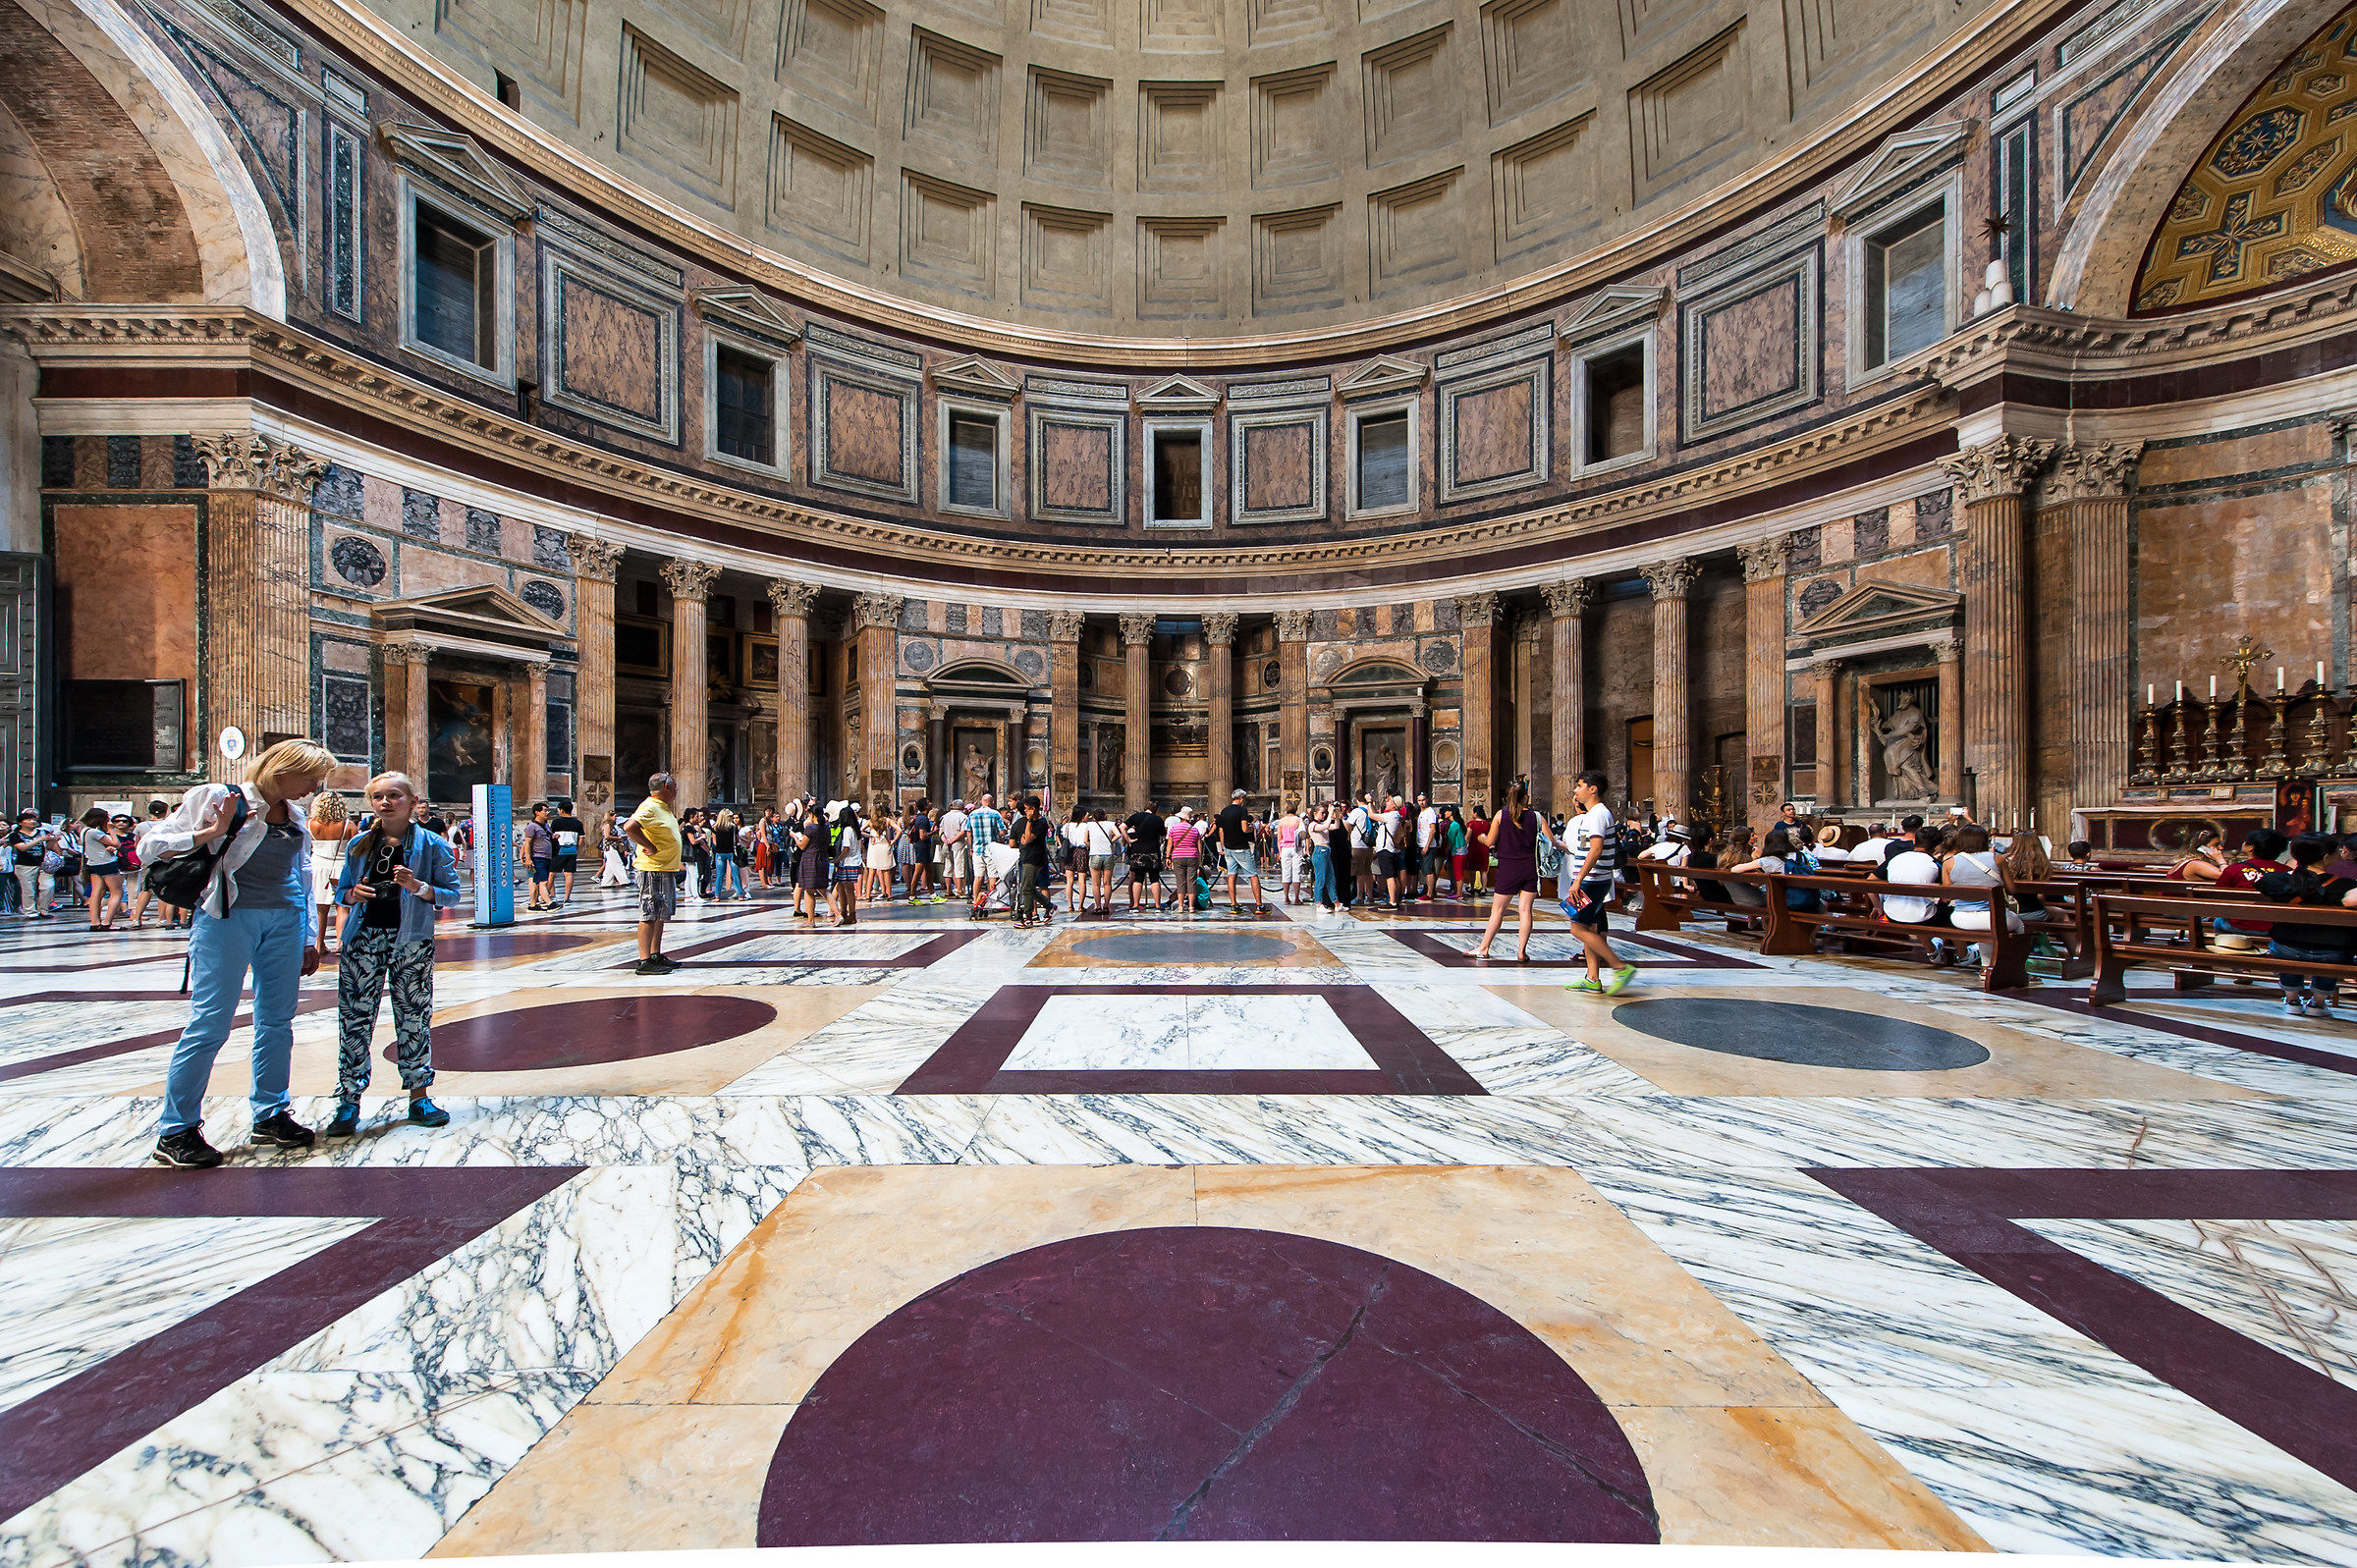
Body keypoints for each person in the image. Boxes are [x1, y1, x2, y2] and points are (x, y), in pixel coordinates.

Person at [140, 737, 338, 1169]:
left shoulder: (297, 814)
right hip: (227, 918)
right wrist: (211, 832)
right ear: (282, 770)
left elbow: (301, 877)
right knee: (210, 1022)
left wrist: (309, 937)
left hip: (284, 921)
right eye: (310, 777)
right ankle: (176, 1129)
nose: (313, 787)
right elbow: (149, 847)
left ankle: (270, 1112)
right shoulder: (218, 797)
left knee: (277, 1021)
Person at [324, 772, 461, 1137]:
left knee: (414, 1015)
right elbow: (341, 893)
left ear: (413, 802)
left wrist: (417, 886)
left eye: (394, 796)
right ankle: (348, 1100)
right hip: (363, 939)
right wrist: (353, 895)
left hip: (410, 940)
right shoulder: (358, 845)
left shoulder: (433, 845)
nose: (385, 803)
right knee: (354, 1019)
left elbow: (451, 894)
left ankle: (419, 1096)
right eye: (378, 797)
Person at [2258, 837, 2357, 1016]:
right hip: (2331, 953)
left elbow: (2263, 883)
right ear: (2327, 857)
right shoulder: (2346, 886)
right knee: (2332, 951)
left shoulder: (2276, 881)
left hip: (2286, 948)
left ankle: (2292, 999)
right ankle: (2318, 1003)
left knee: (2288, 944)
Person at [1559, 770, 1637, 995]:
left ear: (1592, 789)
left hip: (1591, 882)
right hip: (1595, 881)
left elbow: (1596, 849)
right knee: (1590, 927)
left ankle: (1620, 967)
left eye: (1579, 785)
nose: (1575, 790)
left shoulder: (1597, 815)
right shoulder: (1596, 814)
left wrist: (1578, 880)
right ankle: (1592, 978)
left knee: (1577, 928)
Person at [1471, 781, 1563, 962]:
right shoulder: (1537, 817)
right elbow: (1551, 841)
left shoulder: (1500, 815)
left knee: (1498, 911)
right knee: (1525, 910)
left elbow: (1490, 841)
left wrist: (1481, 838)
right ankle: (1521, 951)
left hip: (1508, 868)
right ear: (1526, 797)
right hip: (1530, 868)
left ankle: (1484, 947)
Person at [623, 774, 685, 976]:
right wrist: (647, 845)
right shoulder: (649, 806)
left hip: (664, 868)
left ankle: (655, 954)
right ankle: (644, 960)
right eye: (674, 786)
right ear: (666, 787)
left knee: (660, 915)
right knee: (649, 913)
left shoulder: (662, 808)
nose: (676, 789)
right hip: (652, 868)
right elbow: (629, 827)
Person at [1941, 825, 2023, 968]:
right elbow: (2012, 889)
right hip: (1993, 918)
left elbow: (1948, 896)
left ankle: (1986, 967)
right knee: (2019, 925)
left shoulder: (1949, 863)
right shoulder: (1998, 859)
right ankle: (2018, 966)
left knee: (1985, 929)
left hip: (1961, 918)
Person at [2214, 828, 2288, 955]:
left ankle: (2237, 960)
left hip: (2238, 926)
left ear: (2250, 847)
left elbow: (2216, 896)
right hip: (2274, 927)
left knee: (2218, 922)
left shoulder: (2233, 870)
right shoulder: (2287, 871)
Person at [1876, 823, 1949, 937]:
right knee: (1949, 913)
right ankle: (1940, 944)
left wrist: (1877, 907)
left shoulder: (1896, 858)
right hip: (1922, 917)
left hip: (1892, 913)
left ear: (1914, 841)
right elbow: (1946, 897)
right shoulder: (1935, 864)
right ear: (1937, 847)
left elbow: (1871, 880)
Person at [308, 792, 355, 948]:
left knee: (320, 909)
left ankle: (319, 944)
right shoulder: (348, 825)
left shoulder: (310, 824)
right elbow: (356, 849)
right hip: (341, 867)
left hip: (318, 866)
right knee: (343, 906)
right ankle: (340, 943)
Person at [1215, 788, 1267, 915]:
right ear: (1242, 798)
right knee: (1253, 875)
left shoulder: (1224, 811)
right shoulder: (1242, 810)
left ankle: (1233, 904)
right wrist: (1252, 827)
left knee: (1231, 875)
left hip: (1228, 848)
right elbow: (1244, 829)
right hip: (1241, 848)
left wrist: (1223, 845)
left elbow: (1221, 831)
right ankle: (1259, 905)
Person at [77, 807, 125, 932]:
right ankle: (107, 922)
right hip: (106, 863)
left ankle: (95, 922)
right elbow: (116, 844)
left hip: (93, 863)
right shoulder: (95, 832)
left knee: (97, 893)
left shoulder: (84, 831)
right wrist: (112, 831)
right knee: (117, 892)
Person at [1013, 796, 1052, 927]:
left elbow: (1027, 839)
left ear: (1033, 809)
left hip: (1035, 858)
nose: (1024, 811)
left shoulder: (1041, 823)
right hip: (1026, 857)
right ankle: (1049, 906)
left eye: (1027, 809)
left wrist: (1029, 821)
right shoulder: (1019, 823)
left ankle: (1028, 918)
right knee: (1028, 887)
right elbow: (1014, 842)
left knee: (1027, 888)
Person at [964, 793, 1006, 917]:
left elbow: (968, 831)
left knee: (978, 877)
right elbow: (1002, 831)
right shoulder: (995, 814)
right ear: (992, 802)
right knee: (993, 876)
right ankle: (992, 901)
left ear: (982, 802)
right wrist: (1000, 838)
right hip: (992, 850)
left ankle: (976, 902)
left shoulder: (972, 814)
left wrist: (971, 847)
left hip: (977, 850)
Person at [9, 809, 54, 920]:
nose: (32, 822)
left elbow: (49, 846)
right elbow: (22, 848)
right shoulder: (15, 835)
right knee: (28, 889)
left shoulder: (42, 832)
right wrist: (39, 840)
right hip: (25, 865)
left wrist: (53, 840)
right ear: (20, 823)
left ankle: (43, 909)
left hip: (43, 864)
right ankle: (30, 911)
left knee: (48, 886)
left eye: (33, 819)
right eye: (28, 820)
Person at [1124, 800, 1166, 913]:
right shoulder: (1157, 819)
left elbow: (1122, 826)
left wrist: (1128, 840)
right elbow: (1163, 834)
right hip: (1152, 851)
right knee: (1154, 879)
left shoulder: (1136, 817)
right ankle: (1157, 906)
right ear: (1156, 809)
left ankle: (1136, 906)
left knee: (1138, 879)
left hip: (1138, 851)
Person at [1372, 794, 1407, 909]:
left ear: (1393, 806)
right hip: (1392, 849)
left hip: (1386, 848)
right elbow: (1376, 815)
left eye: (1389, 802)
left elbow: (1371, 815)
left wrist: (1368, 803)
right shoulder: (1395, 815)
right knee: (1393, 876)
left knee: (1389, 876)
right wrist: (1372, 804)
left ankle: (1392, 902)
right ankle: (1395, 899)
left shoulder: (1391, 815)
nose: (1386, 803)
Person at [1168, 806, 1205, 914]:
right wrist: (1199, 859)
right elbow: (1199, 846)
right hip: (1192, 856)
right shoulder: (1194, 830)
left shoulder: (1174, 829)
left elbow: (1170, 844)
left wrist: (1167, 857)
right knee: (1191, 881)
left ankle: (1180, 906)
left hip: (1178, 856)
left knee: (1180, 881)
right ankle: (1191, 907)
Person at [549, 799, 586, 905]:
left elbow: (551, 836)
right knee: (568, 873)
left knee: (552, 873)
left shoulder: (556, 822)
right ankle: (567, 898)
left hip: (559, 850)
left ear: (561, 810)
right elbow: (581, 838)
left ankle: (552, 896)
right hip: (572, 850)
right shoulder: (578, 823)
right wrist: (577, 848)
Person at [522, 801, 557, 910]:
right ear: (537, 812)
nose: (547, 812)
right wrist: (528, 858)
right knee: (543, 881)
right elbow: (527, 843)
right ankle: (549, 903)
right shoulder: (531, 826)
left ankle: (533, 904)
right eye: (545, 810)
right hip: (537, 857)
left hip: (547, 857)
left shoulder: (546, 826)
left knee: (535, 881)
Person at [711, 808, 746, 900]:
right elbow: (737, 840)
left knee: (719, 875)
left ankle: (717, 895)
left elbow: (714, 842)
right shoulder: (733, 827)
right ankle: (740, 895)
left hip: (719, 852)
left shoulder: (715, 827)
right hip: (731, 852)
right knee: (735, 874)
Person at [906, 799, 938, 901]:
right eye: (929, 802)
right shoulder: (923, 820)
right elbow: (923, 835)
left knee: (929, 872)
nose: (931, 803)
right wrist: (934, 832)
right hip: (922, 847)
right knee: (918, 872)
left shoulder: (919, 817)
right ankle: (912, 896)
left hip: (922, 847)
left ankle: (933, 895)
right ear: (925, 806)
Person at [940, 799, 971, 899]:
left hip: (947, 843)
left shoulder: (945, 816)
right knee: (959, 866)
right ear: (962, 807)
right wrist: (953, 840)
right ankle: (959, 891)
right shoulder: (963, 817)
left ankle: (948, 890)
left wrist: (945, 840)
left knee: (948, 866)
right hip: (958, 844)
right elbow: (963, 831)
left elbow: (941, 830)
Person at [1276, 800, 1303, 906]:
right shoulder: (1298, 820)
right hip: (1296, 847)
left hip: (1285, 848)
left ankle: (1286, 897)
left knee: (1286, 873)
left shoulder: (1281, 821)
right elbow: (1302, 835)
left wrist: (1280, 851)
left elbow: (1279, 838)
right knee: (1297, 872)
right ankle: (1296, 898)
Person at [598, 814, 633, 889]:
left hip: (613, 846)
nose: (616, 818)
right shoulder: (607, 825)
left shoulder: (611, 825)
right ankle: (624, 881)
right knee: (618, 863)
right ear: (610, 817)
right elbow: (607, 836)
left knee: (610, 865)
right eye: (614, 816)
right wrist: (618, 838)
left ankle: (606, 882)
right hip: (609, 847)